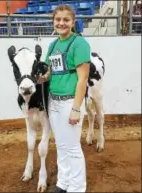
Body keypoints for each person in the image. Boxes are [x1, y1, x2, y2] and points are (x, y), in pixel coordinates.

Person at [38, 4, 91, 193]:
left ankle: (77, 188)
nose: (61, 23)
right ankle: (63, 182)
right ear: (53, 21)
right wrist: (43, 77)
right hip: (54, 102)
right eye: (58, 19)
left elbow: (83, 78)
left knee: (73, 148)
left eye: (66, 20)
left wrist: (76, 109)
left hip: (70, 102)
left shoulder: (80, 44)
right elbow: (51, 71)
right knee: (61, 145)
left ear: (73, 22)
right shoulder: (53, 45)